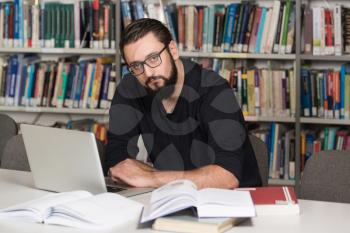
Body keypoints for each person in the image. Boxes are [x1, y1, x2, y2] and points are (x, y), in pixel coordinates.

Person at [106, 18, 262, 189]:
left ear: (172, 50)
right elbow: (117, 163)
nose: (148, 73)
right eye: (136, 66)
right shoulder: (130, 88)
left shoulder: (215, 90)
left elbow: (227, 177)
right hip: (173, 198)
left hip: (234, 202)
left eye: (153, 58)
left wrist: (150, 178)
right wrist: (151, 177)